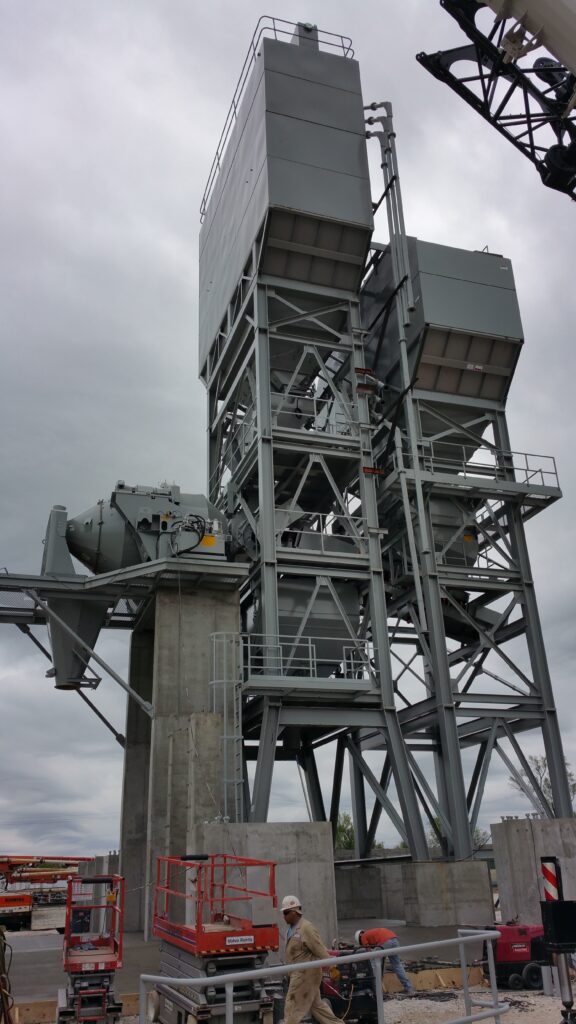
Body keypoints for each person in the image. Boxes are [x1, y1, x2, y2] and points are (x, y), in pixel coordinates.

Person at [281, 894, 346, 1024]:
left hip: (304, 975)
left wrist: (332, 966)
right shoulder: (291, 929)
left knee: (291, 1007)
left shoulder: (306, 928)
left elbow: (319, 948)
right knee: (318, 1008)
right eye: (283, 913)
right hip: (301, 974)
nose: (284, 916)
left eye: (286, 912)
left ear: (295, 912)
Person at [355, 927, 414, 995]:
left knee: (373, 962)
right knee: (397, 965)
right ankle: (409, 988)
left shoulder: (363, 936)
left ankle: (376, 989)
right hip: (394, 939)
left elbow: (369, 952)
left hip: (385, 942)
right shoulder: (370, 933)